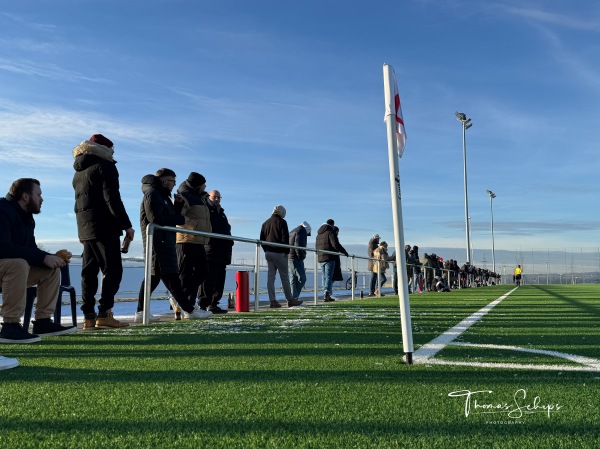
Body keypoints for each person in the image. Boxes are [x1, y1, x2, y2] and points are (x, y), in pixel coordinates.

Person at [0, 178, 76, 343]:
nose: (42, 199)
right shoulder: (2, 210)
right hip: (8, 268)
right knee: (19, 263)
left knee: (51, 270)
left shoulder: (27, 217)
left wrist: (52, 258)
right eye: (39, 194)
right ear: (26, 196)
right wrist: (43, 257)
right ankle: (10, 326)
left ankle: (42, 322)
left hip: (10, 272)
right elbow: (3, 247)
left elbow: (31, 250)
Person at [73, 134, 134, 329]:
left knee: (88, 272)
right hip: (105, 226)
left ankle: (88, 317)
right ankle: (104, 313)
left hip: (85, 227)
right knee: (113, 269)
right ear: (105, 149)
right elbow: (112, 199)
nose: (114, 153)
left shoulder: (79, 170)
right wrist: (126, 225)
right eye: (112, 149)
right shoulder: (105, 166)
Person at [136, 169, 211, 321]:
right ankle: (189, 310)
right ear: (164, 180)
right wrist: (182, 219)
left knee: (155, 279)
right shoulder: (152, 194)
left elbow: (168, 217)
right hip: (157, 243)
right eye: (172, 181)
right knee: (171, 281)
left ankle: (141, 312)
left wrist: (177, 204)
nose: (174, 185)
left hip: (164, 241)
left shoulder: (161, 195)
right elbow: (156, 218)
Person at [175, 172, 211, 316]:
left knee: (203, 273)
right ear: (198, 185)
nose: (205, 187)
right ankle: (183, 304)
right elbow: (178, 215)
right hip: (186, 240)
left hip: (199, 241)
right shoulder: (185, 195)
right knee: (185, 275)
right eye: (203, 184)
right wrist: (194, 225)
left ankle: (186, 302)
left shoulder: (200, 197)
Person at [260, 205, 301, 308]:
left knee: (271, 278)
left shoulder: (265, 223)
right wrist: (286, 252)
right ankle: (290, 300)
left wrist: (267, 250)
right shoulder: (282, 222)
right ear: (282, 212)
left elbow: (262, 239)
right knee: (284, 277)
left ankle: (273, 301)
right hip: (279, 253)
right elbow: (284, 238)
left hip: (269, 253)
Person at [202, 189, 234, 314]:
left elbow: (226, 229)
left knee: (220, 279)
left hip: (223, 250)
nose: (217, 199)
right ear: (209, 197)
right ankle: (205, 304)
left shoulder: (221, 212)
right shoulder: (206, 210)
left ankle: (214, 303)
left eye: (219, 197)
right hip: (211, 249)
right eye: (214, 197)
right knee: (209, 278)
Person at [315, 219, 348, 302]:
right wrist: (344, 252)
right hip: (329, 257)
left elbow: (317, 246)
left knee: (324, 276)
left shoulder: (319, 234)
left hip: (321, 257)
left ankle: (325, 292)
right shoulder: (330, 231)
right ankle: (327, 292)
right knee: (329, 276)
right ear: (332, 225)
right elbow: (335, 244)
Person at [288, 221, 311, 301]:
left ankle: (293, 297)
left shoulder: (293, 230)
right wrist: (301, 256)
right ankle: (294, 298)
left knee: (293, 278)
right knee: (302, 278)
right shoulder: (302, 231)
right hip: (296, 257)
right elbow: (299, 245)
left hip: (289, 256)